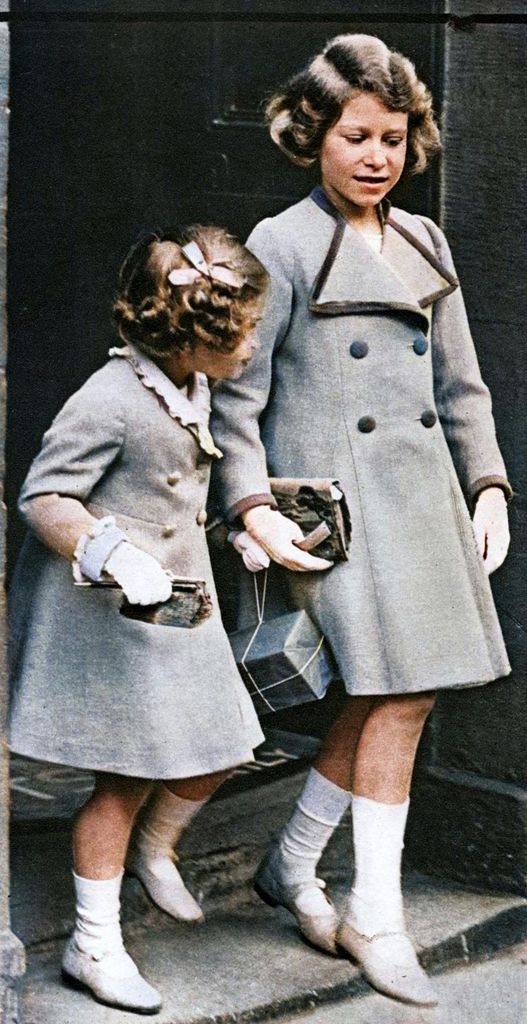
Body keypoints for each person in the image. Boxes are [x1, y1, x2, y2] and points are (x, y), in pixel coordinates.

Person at [210, 34, 512, 1007]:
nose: (374, 156)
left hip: (422, 503)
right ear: (311, 136)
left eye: (391, 137)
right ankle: (373, 912)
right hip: (332, 515)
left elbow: (459, 383)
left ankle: (291, 864)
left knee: (398, 695)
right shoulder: (281, 243)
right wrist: (249, 507)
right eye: (353, 136)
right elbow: (235, 400)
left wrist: (489, 486)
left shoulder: (425, 242)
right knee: (394, 693)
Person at [9, 225, 268, 1014]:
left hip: (181, 607)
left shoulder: (193, 387)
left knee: (223, 745)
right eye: (245, 332)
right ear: (196, 335)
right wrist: (106, 549)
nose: (253, 348)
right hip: (115, 614)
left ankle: (157, 848)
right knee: (121, 781)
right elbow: (42, 497)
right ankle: (95, 942)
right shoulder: (113, 398)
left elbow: (179, 493)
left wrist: (238, 532)